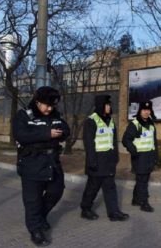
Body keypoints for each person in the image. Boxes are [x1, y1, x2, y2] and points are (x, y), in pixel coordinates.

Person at [13, 86, 70, 247]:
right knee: (33, 200)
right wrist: (47, 134)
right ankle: (36, 231)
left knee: (56, 191)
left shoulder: (55, 114)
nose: (50, 108)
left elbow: (65, 129)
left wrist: (61, 133)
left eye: (53, 106)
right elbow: (21, 135)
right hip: (32, 163)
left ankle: (40, 217)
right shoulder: (24, 115)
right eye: (47, 105)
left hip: (52, 162)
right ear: (37, 102)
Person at [80, 95, 129, 222]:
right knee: (92, 187)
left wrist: (116, 156)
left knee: (110, 186)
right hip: (96, 160)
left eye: (109, 105)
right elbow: (89, 144)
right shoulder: (91, 121)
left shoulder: (110, 120)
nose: (109, 107)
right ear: (101, 105)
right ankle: (85, 209)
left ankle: (114, 212)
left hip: (108, 160)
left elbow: (113, 140)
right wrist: (91, 162)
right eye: (107, 105)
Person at [122, 101, 158, 212]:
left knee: (143, 179)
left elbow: (154, 141)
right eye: (144, 110)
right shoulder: (135, 124)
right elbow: (126, 140)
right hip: (139, 157)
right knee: (142, 181)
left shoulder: (151, 124)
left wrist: (156, 155)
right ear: (140, 111)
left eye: (148, 110)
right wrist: (134, 151)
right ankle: (144, 203)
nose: (146, 112)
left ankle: (136, 199)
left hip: (149, 156)